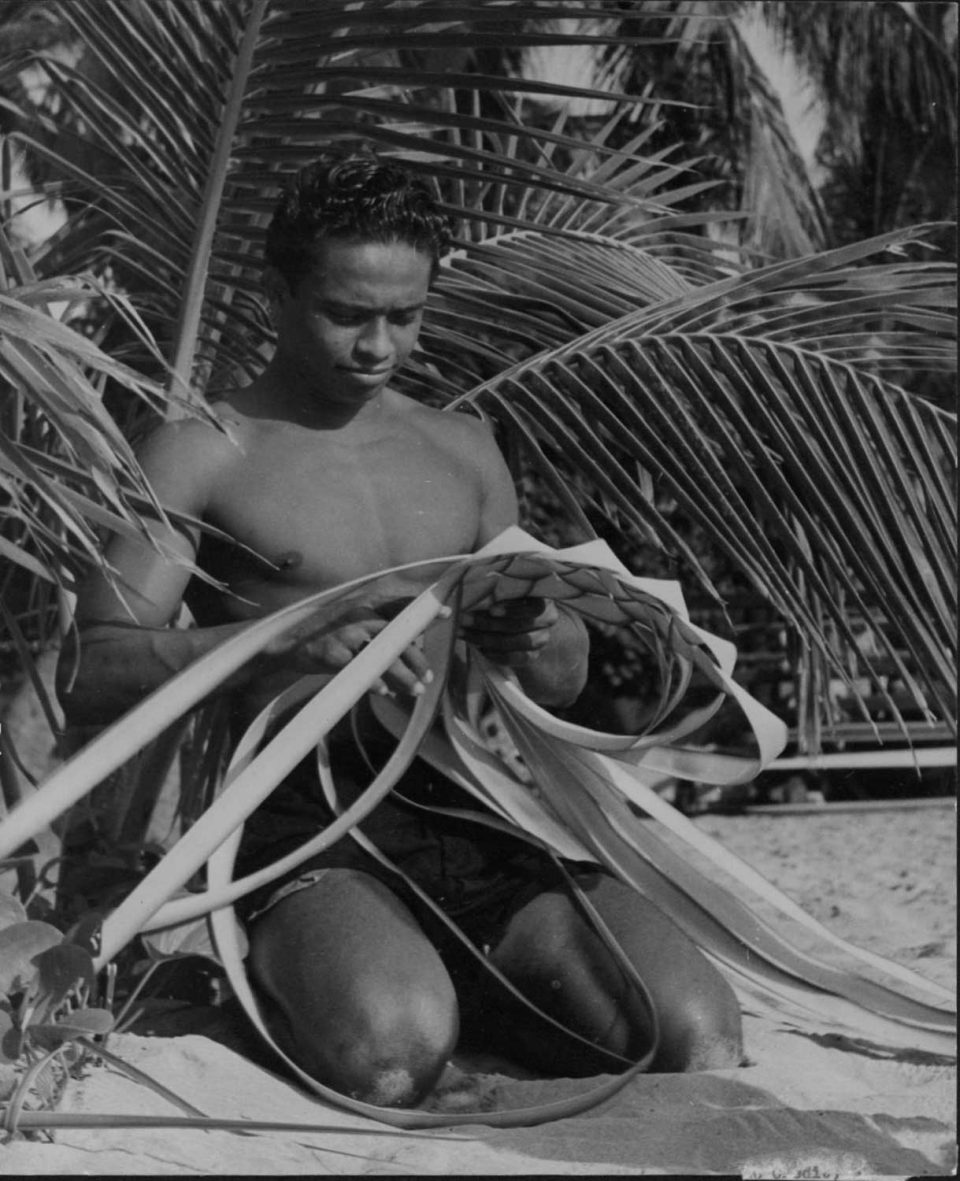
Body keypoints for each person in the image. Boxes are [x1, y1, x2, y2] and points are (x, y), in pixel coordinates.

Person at [56, 153, 742, 1108]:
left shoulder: (463, 450)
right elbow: (88, 670)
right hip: (308, 831)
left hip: (483, 815)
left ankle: (446, 981)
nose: (378, 345)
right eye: (347, 313)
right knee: (392, 1055)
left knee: (698, 1036)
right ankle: (319, 975)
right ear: (280, 292)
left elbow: (555, 678)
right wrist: (269, 643)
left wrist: (547, 645)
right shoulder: (203, 451)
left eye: (406, 316)